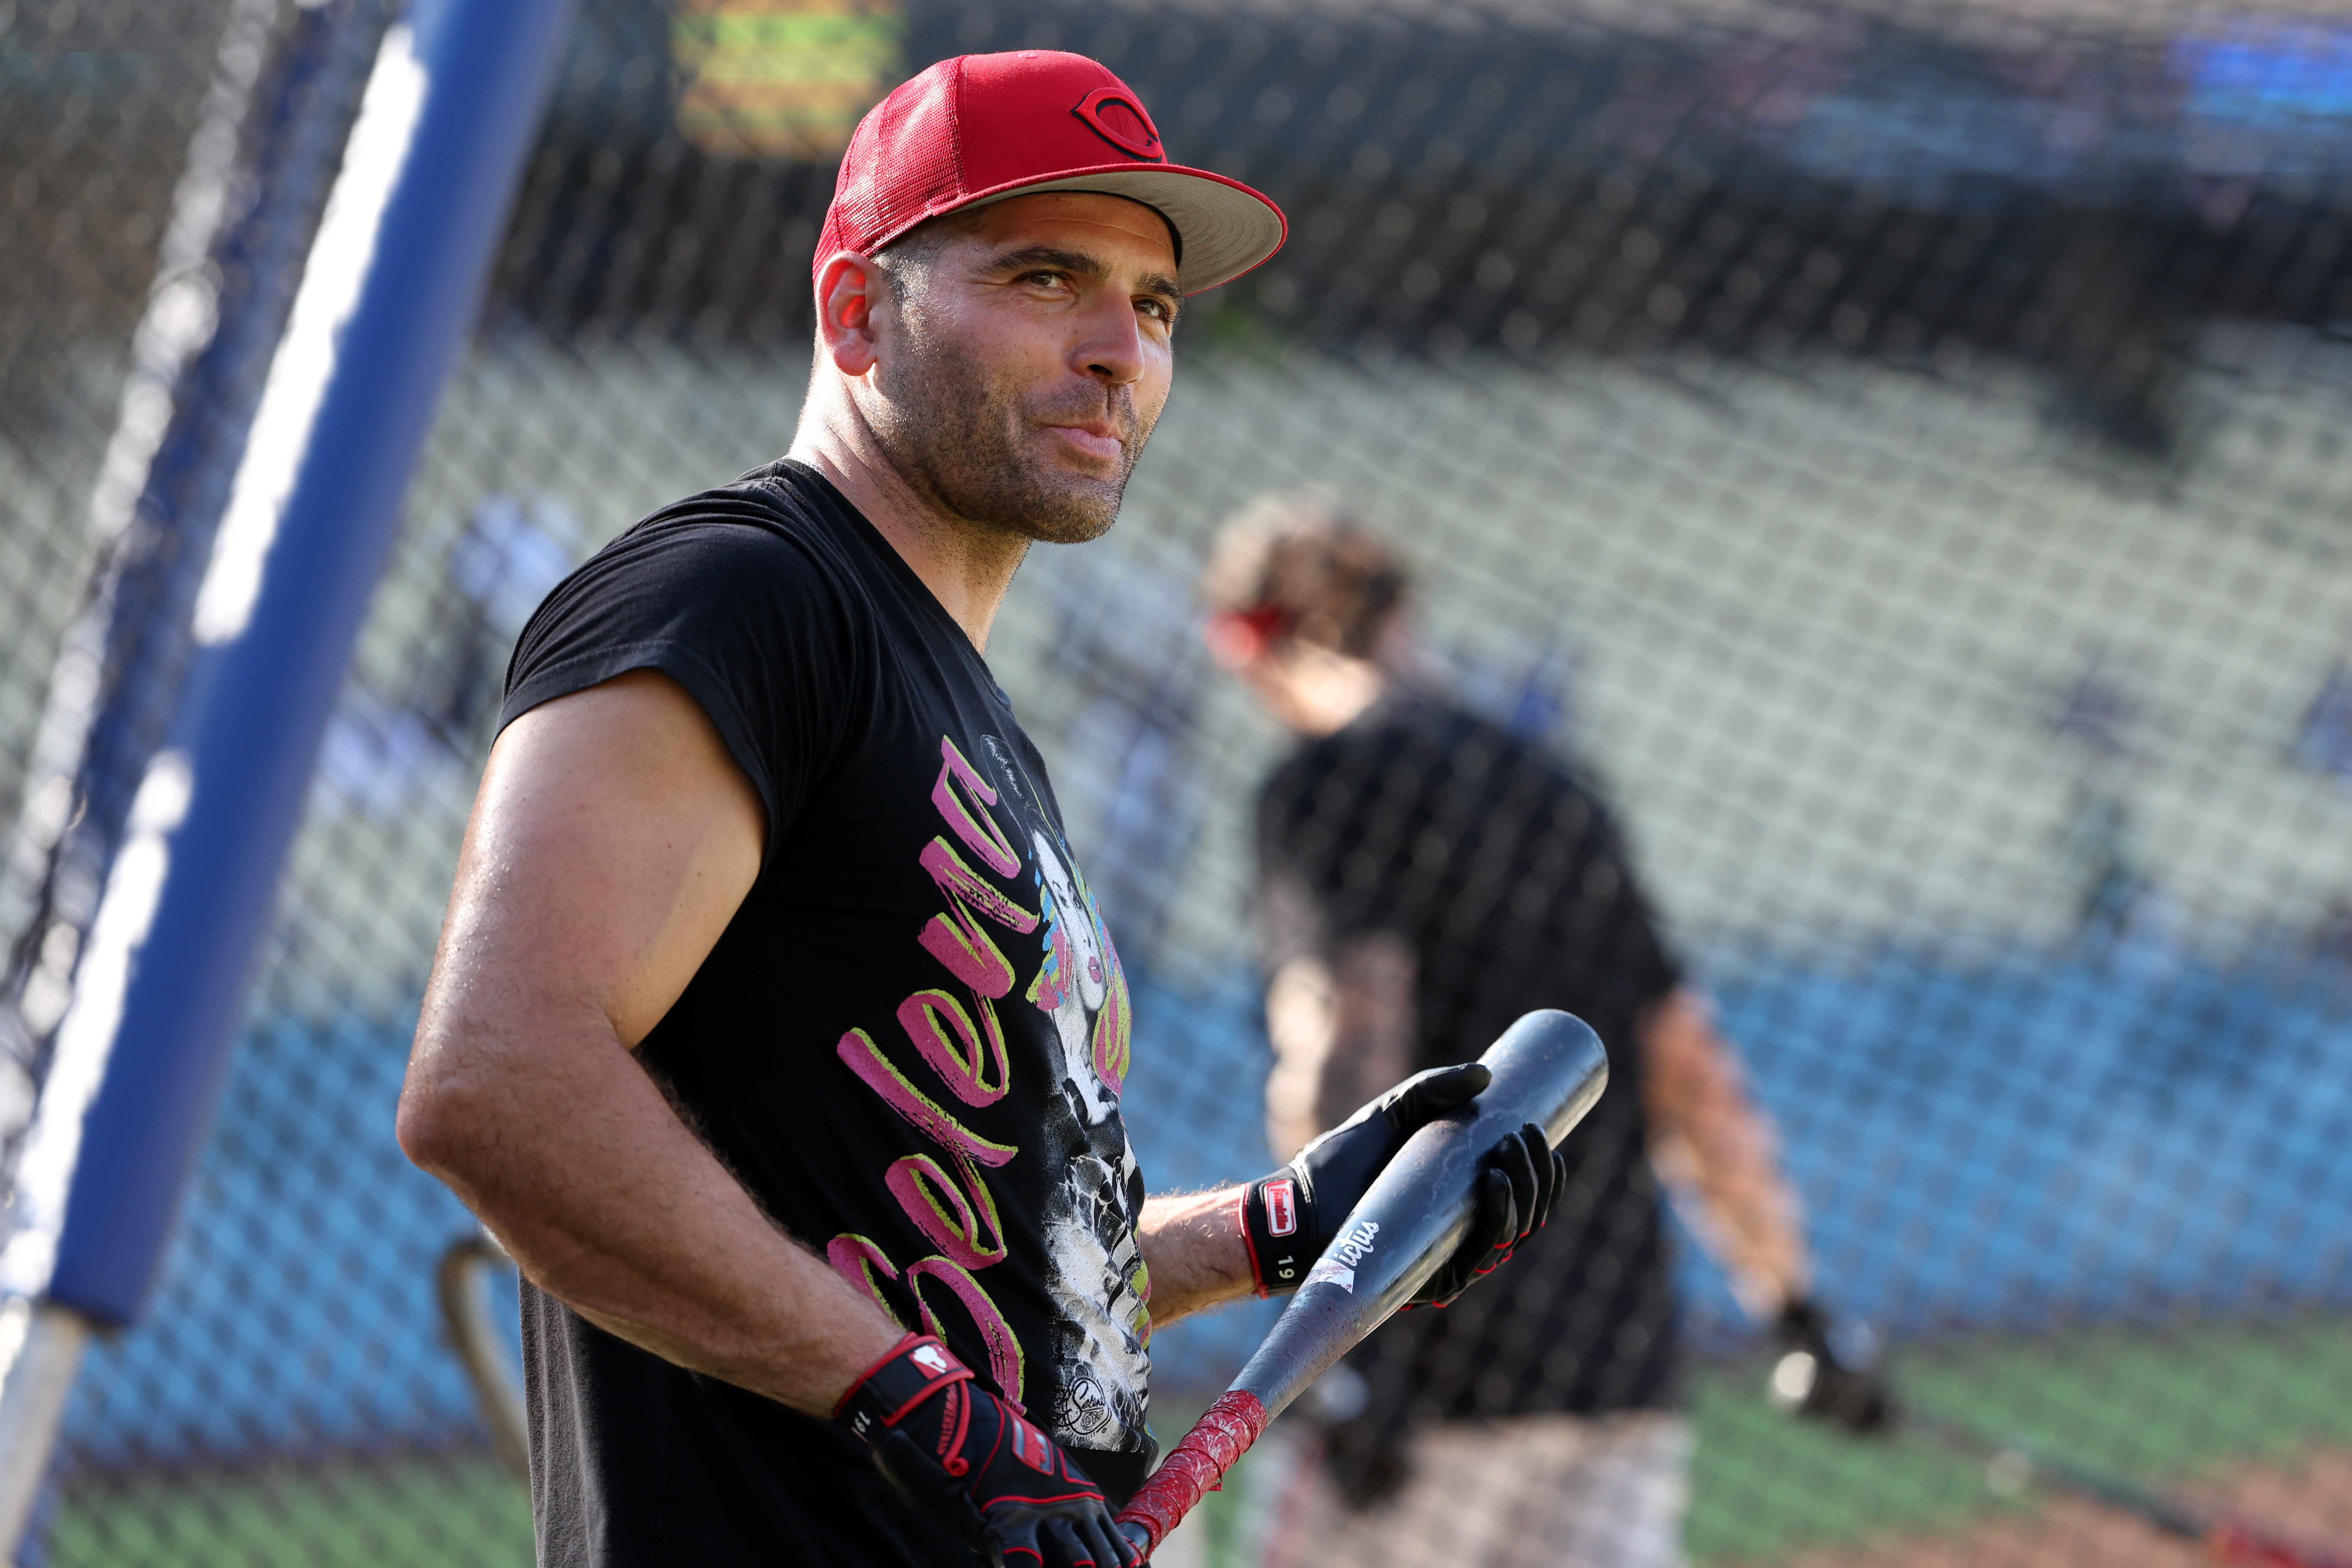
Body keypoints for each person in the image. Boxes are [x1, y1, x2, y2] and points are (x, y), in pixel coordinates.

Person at [395, 52, 1563, 1568]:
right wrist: (913, 1405)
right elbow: (498, 1087)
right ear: (855, 313)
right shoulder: (740, 600)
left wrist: (1271, 1229)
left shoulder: (974, 720)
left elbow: (978, 1279)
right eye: (1044, 276)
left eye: (1151, 307)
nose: (1115, 350)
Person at [1198, 493, 1888, 1568]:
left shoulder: (1325, 782)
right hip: (1615, 1378)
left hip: (1429, 1374)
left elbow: (1346, 1046)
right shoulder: (1560, 789)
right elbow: (1692, 1072)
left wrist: (1339, 1351)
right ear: (1402, 611)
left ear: (1253, 645)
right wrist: (1796, 1308)